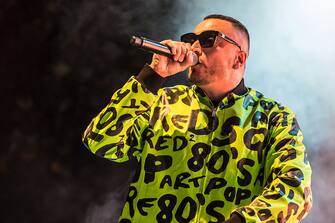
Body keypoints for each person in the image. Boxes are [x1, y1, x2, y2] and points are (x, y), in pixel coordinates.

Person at [82, 14, 312, 223]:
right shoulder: (159, 102)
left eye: (208, 39)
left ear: (239, 58)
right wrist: (153, 75)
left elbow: (296, 191)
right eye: (191, 39)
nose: (194, 46)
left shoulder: (274, 117)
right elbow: (99, 141)